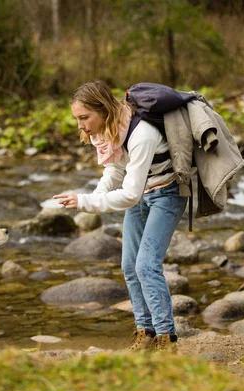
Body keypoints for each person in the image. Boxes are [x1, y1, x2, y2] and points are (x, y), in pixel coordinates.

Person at [53, 81, 187, 352]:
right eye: (77, 119)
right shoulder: (110, 130)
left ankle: (167, 340)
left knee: (147, 267)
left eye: (84, 117)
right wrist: (91, 196)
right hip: (143, 194)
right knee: (129, 266)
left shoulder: (142, 134)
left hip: (167, 194)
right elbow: (114, 172)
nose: (80, 125)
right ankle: (145, 333)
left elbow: (129, 194)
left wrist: (85, 202)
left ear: (102, 109)